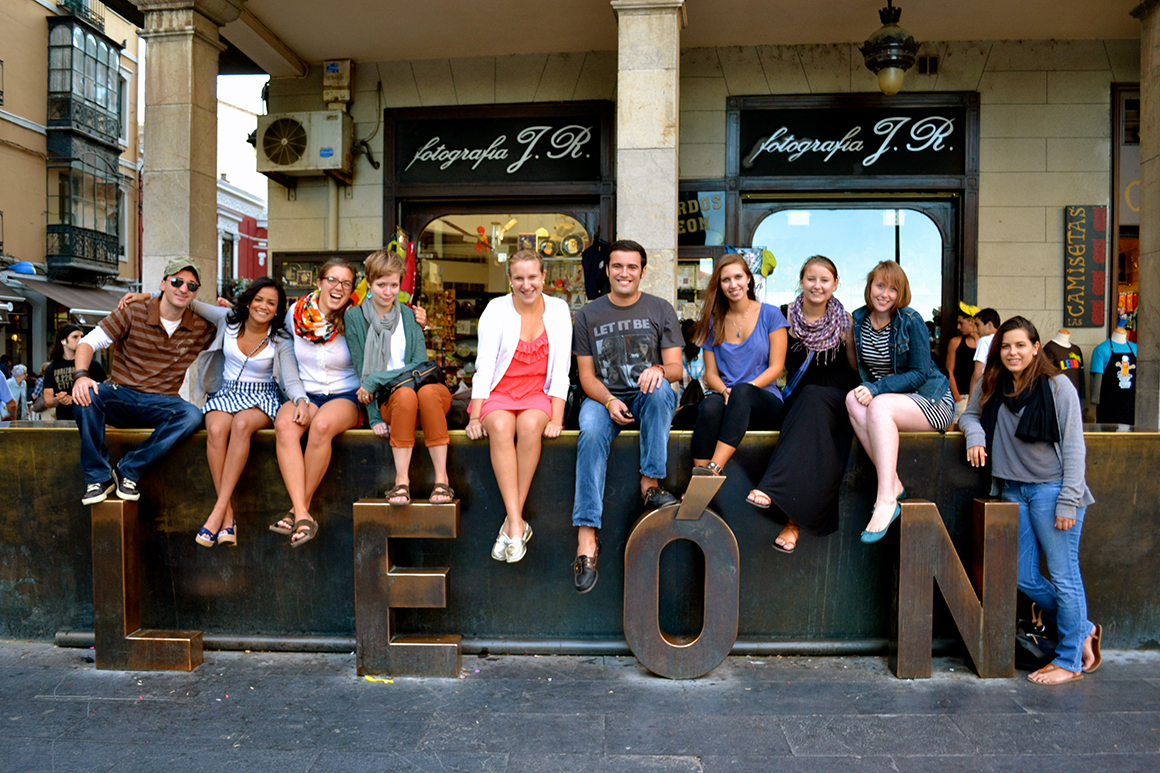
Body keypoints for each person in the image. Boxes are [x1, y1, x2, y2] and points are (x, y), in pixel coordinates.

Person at [959, 316, 1100, 685]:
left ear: (1036, 347)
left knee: (1065, 578)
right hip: (1011, 491)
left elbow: (1073, 446)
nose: (1012, 352)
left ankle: (1069, 661)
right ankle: (1083, 627)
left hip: (1052, 492)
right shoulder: (991, 382)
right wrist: (975, 435)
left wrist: (1069, 501)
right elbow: (970, 415)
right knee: (1022, 575)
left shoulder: (1057, 387)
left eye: (1020, 345)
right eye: (1006, 346)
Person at [121, 278, 311, 547]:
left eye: (271, 303)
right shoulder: (229, 320)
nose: (263, 306)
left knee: (242, 425)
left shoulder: (280, 338)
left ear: (278, 310)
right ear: (248, 301)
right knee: (217, 428)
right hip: (226, 392)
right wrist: (149, 295)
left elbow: (290, 380)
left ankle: (218, 511)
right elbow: (191, 302)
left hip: (262, 397)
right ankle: (228, 516)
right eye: (259, 299)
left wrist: (301, 400)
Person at [570, 239, 682, 593]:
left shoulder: (660, 308)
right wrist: (606, 401)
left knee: (663, 389)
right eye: (617, 266)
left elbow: (678, 367)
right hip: (603, 399)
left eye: (632, 267)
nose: (624, 273)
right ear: (607, 269)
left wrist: (659, 370)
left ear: (643, 272)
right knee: (588, 431)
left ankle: (650, 487)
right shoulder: (587, 314)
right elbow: (586, 377)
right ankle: (587, 540)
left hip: (646, 395)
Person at [71, 259, 216, 505]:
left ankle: (128, 469)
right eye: (177, 281)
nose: (183, 289)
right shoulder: (133, 311)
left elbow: (236, 320)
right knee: (88, 394)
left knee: (192, 415)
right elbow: (88, 342)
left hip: (162, 401)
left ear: (196, 293)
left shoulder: (200, 327)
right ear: (164, 283)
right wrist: (81, 376)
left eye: (191, 286)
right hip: (121, 394)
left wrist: (152, 293)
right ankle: (98, 478)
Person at [746, 255, 860, 552]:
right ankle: (792, 523)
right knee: (807, 406)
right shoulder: (782, 317)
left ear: (835, 284)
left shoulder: (847, 321)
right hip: (801, 401)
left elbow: (855, 369)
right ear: (801, 281)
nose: (817, 286)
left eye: (825, 280)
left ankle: (772, 491)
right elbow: (765, 359)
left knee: (812, 398)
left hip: (837, 400)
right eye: (811, 279)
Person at [466, 250, 571, 563]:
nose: (527, 285)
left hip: (537, 392)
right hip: (499, 391)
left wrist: (557, 416)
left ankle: (512, 524)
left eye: (532, 277)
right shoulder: (496, 310)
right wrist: (474, 414)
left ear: (543, 277)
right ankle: (516, 523)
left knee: (528, 426)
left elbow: (562, 369)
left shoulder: (559, 309)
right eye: (519, 278)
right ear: (509, 280)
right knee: (499, 425)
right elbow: (483, 366)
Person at [846, 261, 952, 543]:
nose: (885, 294)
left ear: (901, 293)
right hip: (890, 403)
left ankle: (885, 501)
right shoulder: (858, 321)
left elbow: (919, 373)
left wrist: (878, 388)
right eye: (880, 286)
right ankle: (893, 483)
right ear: (870, 287)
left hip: (930, 399)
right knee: (852, 400)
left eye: (894, 289)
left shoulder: (911, 320)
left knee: (877, 404)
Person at [345, 250, 454, 507]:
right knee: (404, 394)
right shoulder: (355, 317)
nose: (388, 292)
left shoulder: (409, 315)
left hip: (428, 396)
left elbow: (417, 364)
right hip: (394, 404)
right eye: (381, 285)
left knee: (424, 393)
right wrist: (373, 417)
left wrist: (376, 379)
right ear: (369, 284)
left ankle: (442, 479)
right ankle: (401, 482)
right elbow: (363, 368)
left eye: (394, 285)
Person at [267, 258, 362, 547]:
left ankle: (298, 511)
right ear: (319, 282)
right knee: (284, 425)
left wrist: (415, 320)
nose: (339, 287)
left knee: (321, 426)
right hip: (303, 393)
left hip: (345, 394)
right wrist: (299, 398)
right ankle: (304, 514)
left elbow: (389, 325)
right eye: (332, 280)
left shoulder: (356, 317)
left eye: (346, 283)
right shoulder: (295, 314)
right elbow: (287, 361)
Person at [689, 253, 788, 477]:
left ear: (748, 280)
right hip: (728, 397)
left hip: (765, 401)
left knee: (744, 391)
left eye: (738, 277)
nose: (733, 284)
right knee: (709, 405)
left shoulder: (770, 314)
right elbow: (711, 374)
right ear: (719, 285)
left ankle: (713, 471)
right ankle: (699, 477)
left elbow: (776, 368)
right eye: (726, 280)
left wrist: (744, 391)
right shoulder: (712, 322)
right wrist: (725, 391)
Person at [42, 325, 108, 423]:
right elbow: (47, 400)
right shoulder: (51, 368)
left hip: (89, 420)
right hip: (64, 422)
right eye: (75, 337)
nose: (80, 340)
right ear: (63, 341)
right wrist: (58, 399)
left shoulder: (92, 364)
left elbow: (103, 392)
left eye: (82, 336)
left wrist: (73, 399)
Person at [945, 303, 979, 424]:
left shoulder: (985, 344)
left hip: (980, 397)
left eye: (961, 323)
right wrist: (958, 398)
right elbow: (949, 371)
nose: (958, 327)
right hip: (962, 396)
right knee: (955, 429)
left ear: (972, 322)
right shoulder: (956, 342)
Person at [968, 308, 1000, 397]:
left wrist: (971, 400)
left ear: (990, 325)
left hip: (986, 390)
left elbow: (977, 373)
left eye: (977, 325)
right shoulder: (1004, 338)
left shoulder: (984, 340)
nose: (975, 330)